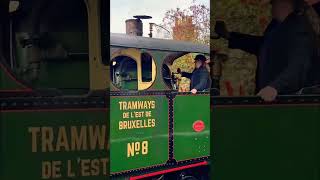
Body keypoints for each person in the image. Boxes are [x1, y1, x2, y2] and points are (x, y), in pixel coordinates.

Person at [214, 0, 320, 101]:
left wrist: (275, 87)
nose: (271, 6)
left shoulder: (299, 29)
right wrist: (229, 36)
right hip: (273, 98)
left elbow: (298, 65)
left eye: (273, 3)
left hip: (289, 101)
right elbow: (263, 46)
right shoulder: (276, 26)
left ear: (284, 3)